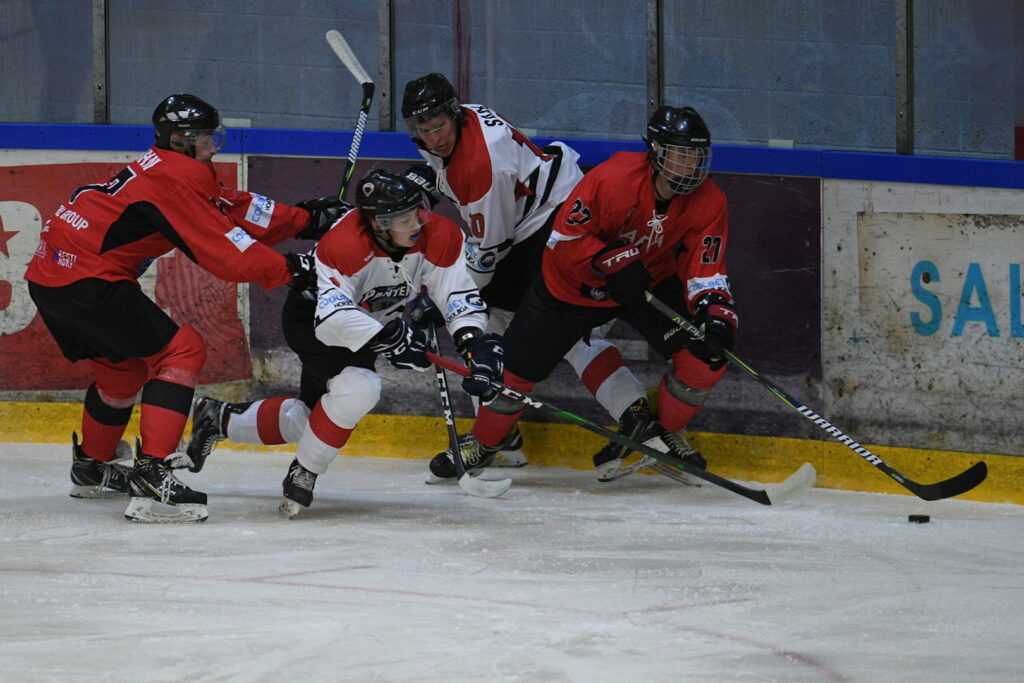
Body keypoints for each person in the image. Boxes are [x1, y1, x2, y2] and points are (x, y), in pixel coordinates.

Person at [24, 93, 347, 523]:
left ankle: (92, 467)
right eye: (209, 137)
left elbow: (230, 206)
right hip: (87, 278)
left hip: (50, 278)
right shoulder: (172, 181)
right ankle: (154, 477)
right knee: (182, 351)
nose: (218, 144)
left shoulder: (172, 167)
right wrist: (291, 268)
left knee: (122, 370)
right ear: (181, 140)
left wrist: (305, 219)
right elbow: (223, 251)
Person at [187, 169, 501, 519]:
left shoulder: (437, 234)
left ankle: (219, 417)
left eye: (418, 212)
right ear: (379, 224)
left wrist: (474, 341)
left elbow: (456, 292)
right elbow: (332, 318)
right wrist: (389, 339)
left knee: (314, 417)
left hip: (368, 325)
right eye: (404, 219)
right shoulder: (345, 244)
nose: (417, 223)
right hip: (314, 322)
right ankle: (305, 470)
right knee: (359, 388)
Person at [453, 105, 736, 481]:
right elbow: (563, 240)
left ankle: (664, 432)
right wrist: (612, 261)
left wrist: (715, 313)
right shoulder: (613, 179)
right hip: (571, 286)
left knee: (706, 357)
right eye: (682, 154)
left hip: (646, 282)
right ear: (656, 152)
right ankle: (484, 444)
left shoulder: (710, 200)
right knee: (516, 374)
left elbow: (707, 267)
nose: (692, 164)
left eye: (697, 155)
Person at [399, 73, 649, 481]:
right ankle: (630, 412)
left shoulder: (480, 168)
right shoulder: (469, 117)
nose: (433, 138)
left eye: (438, 126)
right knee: (563, 330)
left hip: (547, 230)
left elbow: (491, 251)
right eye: (423, 131)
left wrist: (451, 298)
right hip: (554, 209)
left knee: (491, 320)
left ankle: (498, 441)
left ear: (454, 116)